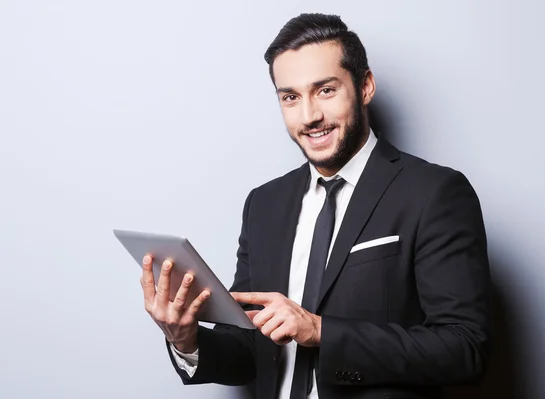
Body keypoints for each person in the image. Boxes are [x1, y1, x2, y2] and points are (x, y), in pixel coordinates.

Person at [139, 12, 493, 399]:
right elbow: (247, 353)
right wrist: (185, 338)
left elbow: (465, 348)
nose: (309, 116)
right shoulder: (264, 204)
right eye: (290, 97)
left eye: (325, 90)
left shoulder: (434, 193)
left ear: (365, 86)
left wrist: (321, 331)